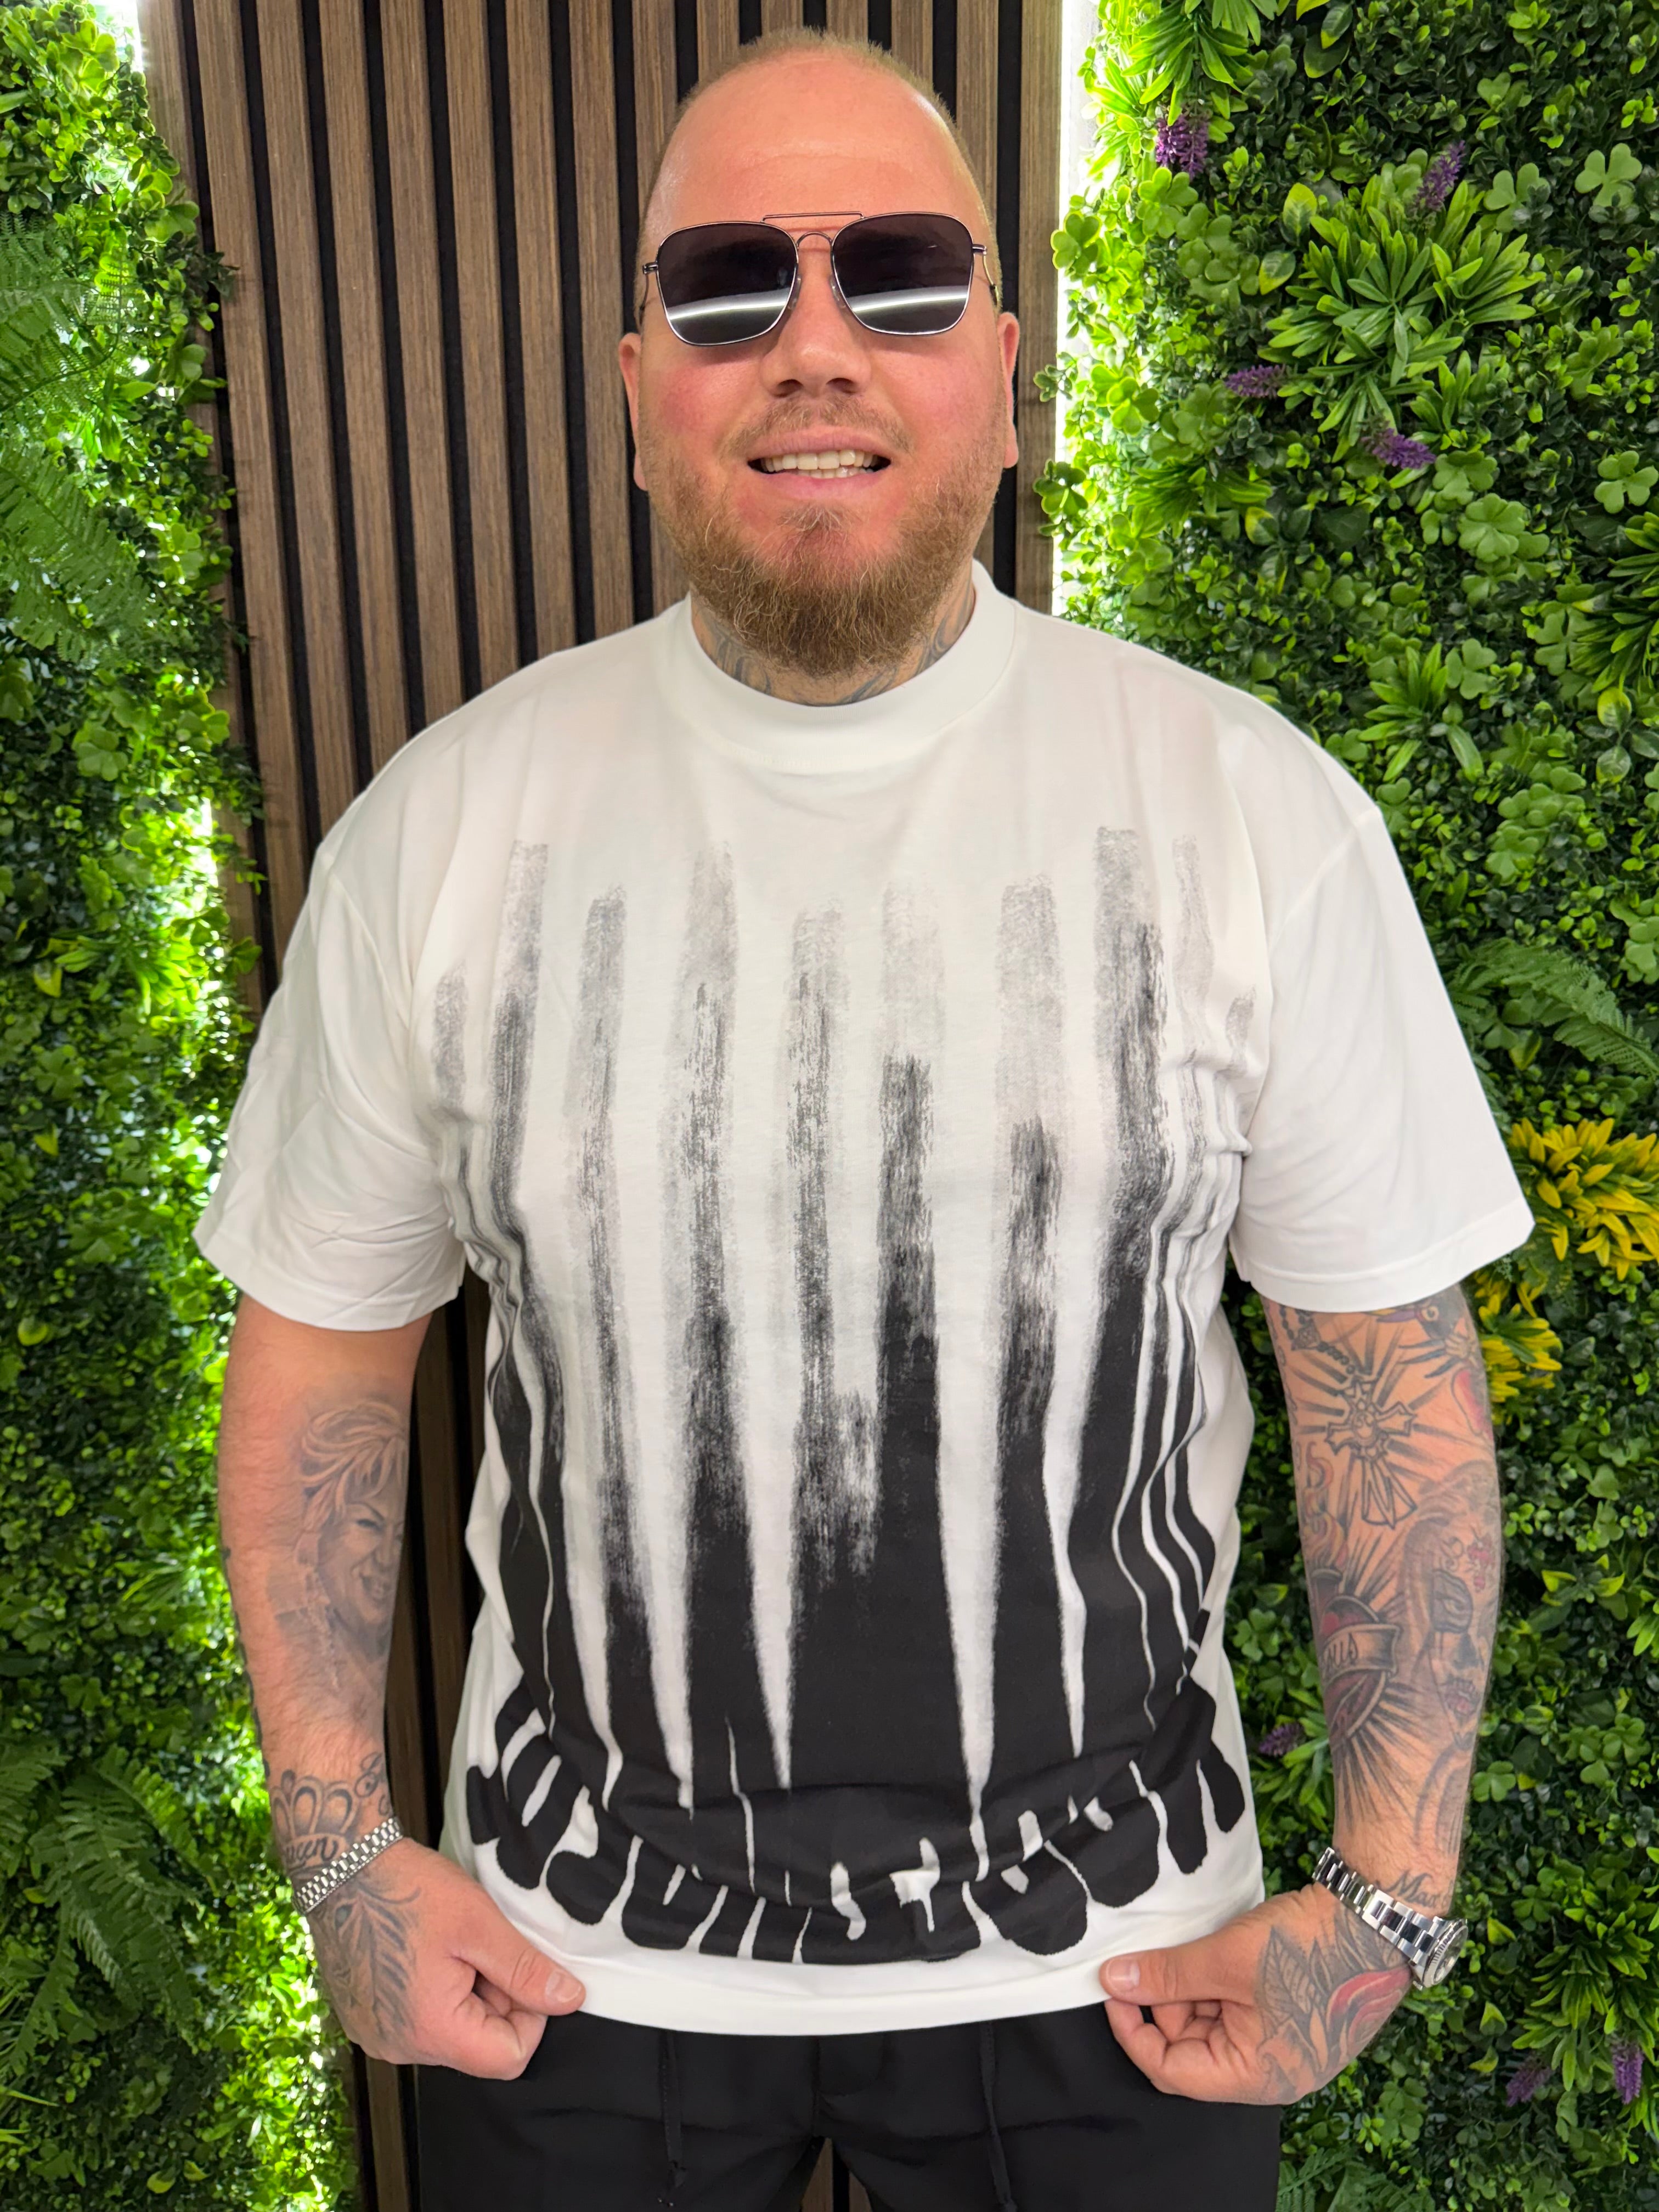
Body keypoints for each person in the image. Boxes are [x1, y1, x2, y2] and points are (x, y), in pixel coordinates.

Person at [199, 29, 1532, 2211]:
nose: (814, 344)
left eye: (900, 274)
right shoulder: (440, 833)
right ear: (641, 385)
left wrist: (1390, 1903)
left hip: (1123, 1969)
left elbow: (1381, 1371)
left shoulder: (1250, 816)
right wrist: (341, 1854)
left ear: (1004, 369)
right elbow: (322, 1369)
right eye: (728, 283)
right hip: (567, 1970)